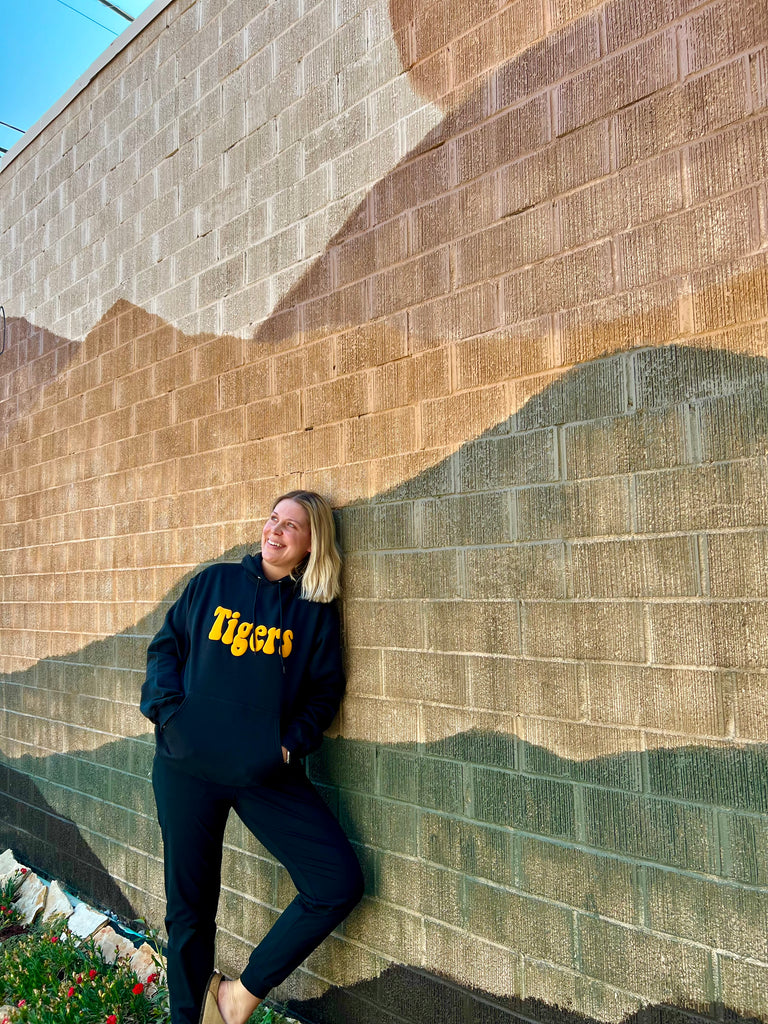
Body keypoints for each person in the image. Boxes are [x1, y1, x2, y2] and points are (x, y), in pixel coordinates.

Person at [140, 490, 364, 1024]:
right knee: (189, 912)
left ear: (311, 546)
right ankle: (188, 1017)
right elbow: (165, 649)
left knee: (336, 882)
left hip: (261, 772)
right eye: (273, 518)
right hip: (186, 766)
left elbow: (324, 691)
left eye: (293, 526)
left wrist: (286, 745)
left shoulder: (313, 611)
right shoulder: (213, 583)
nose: (276, 530)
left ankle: (238, 997)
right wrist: (170, 716)